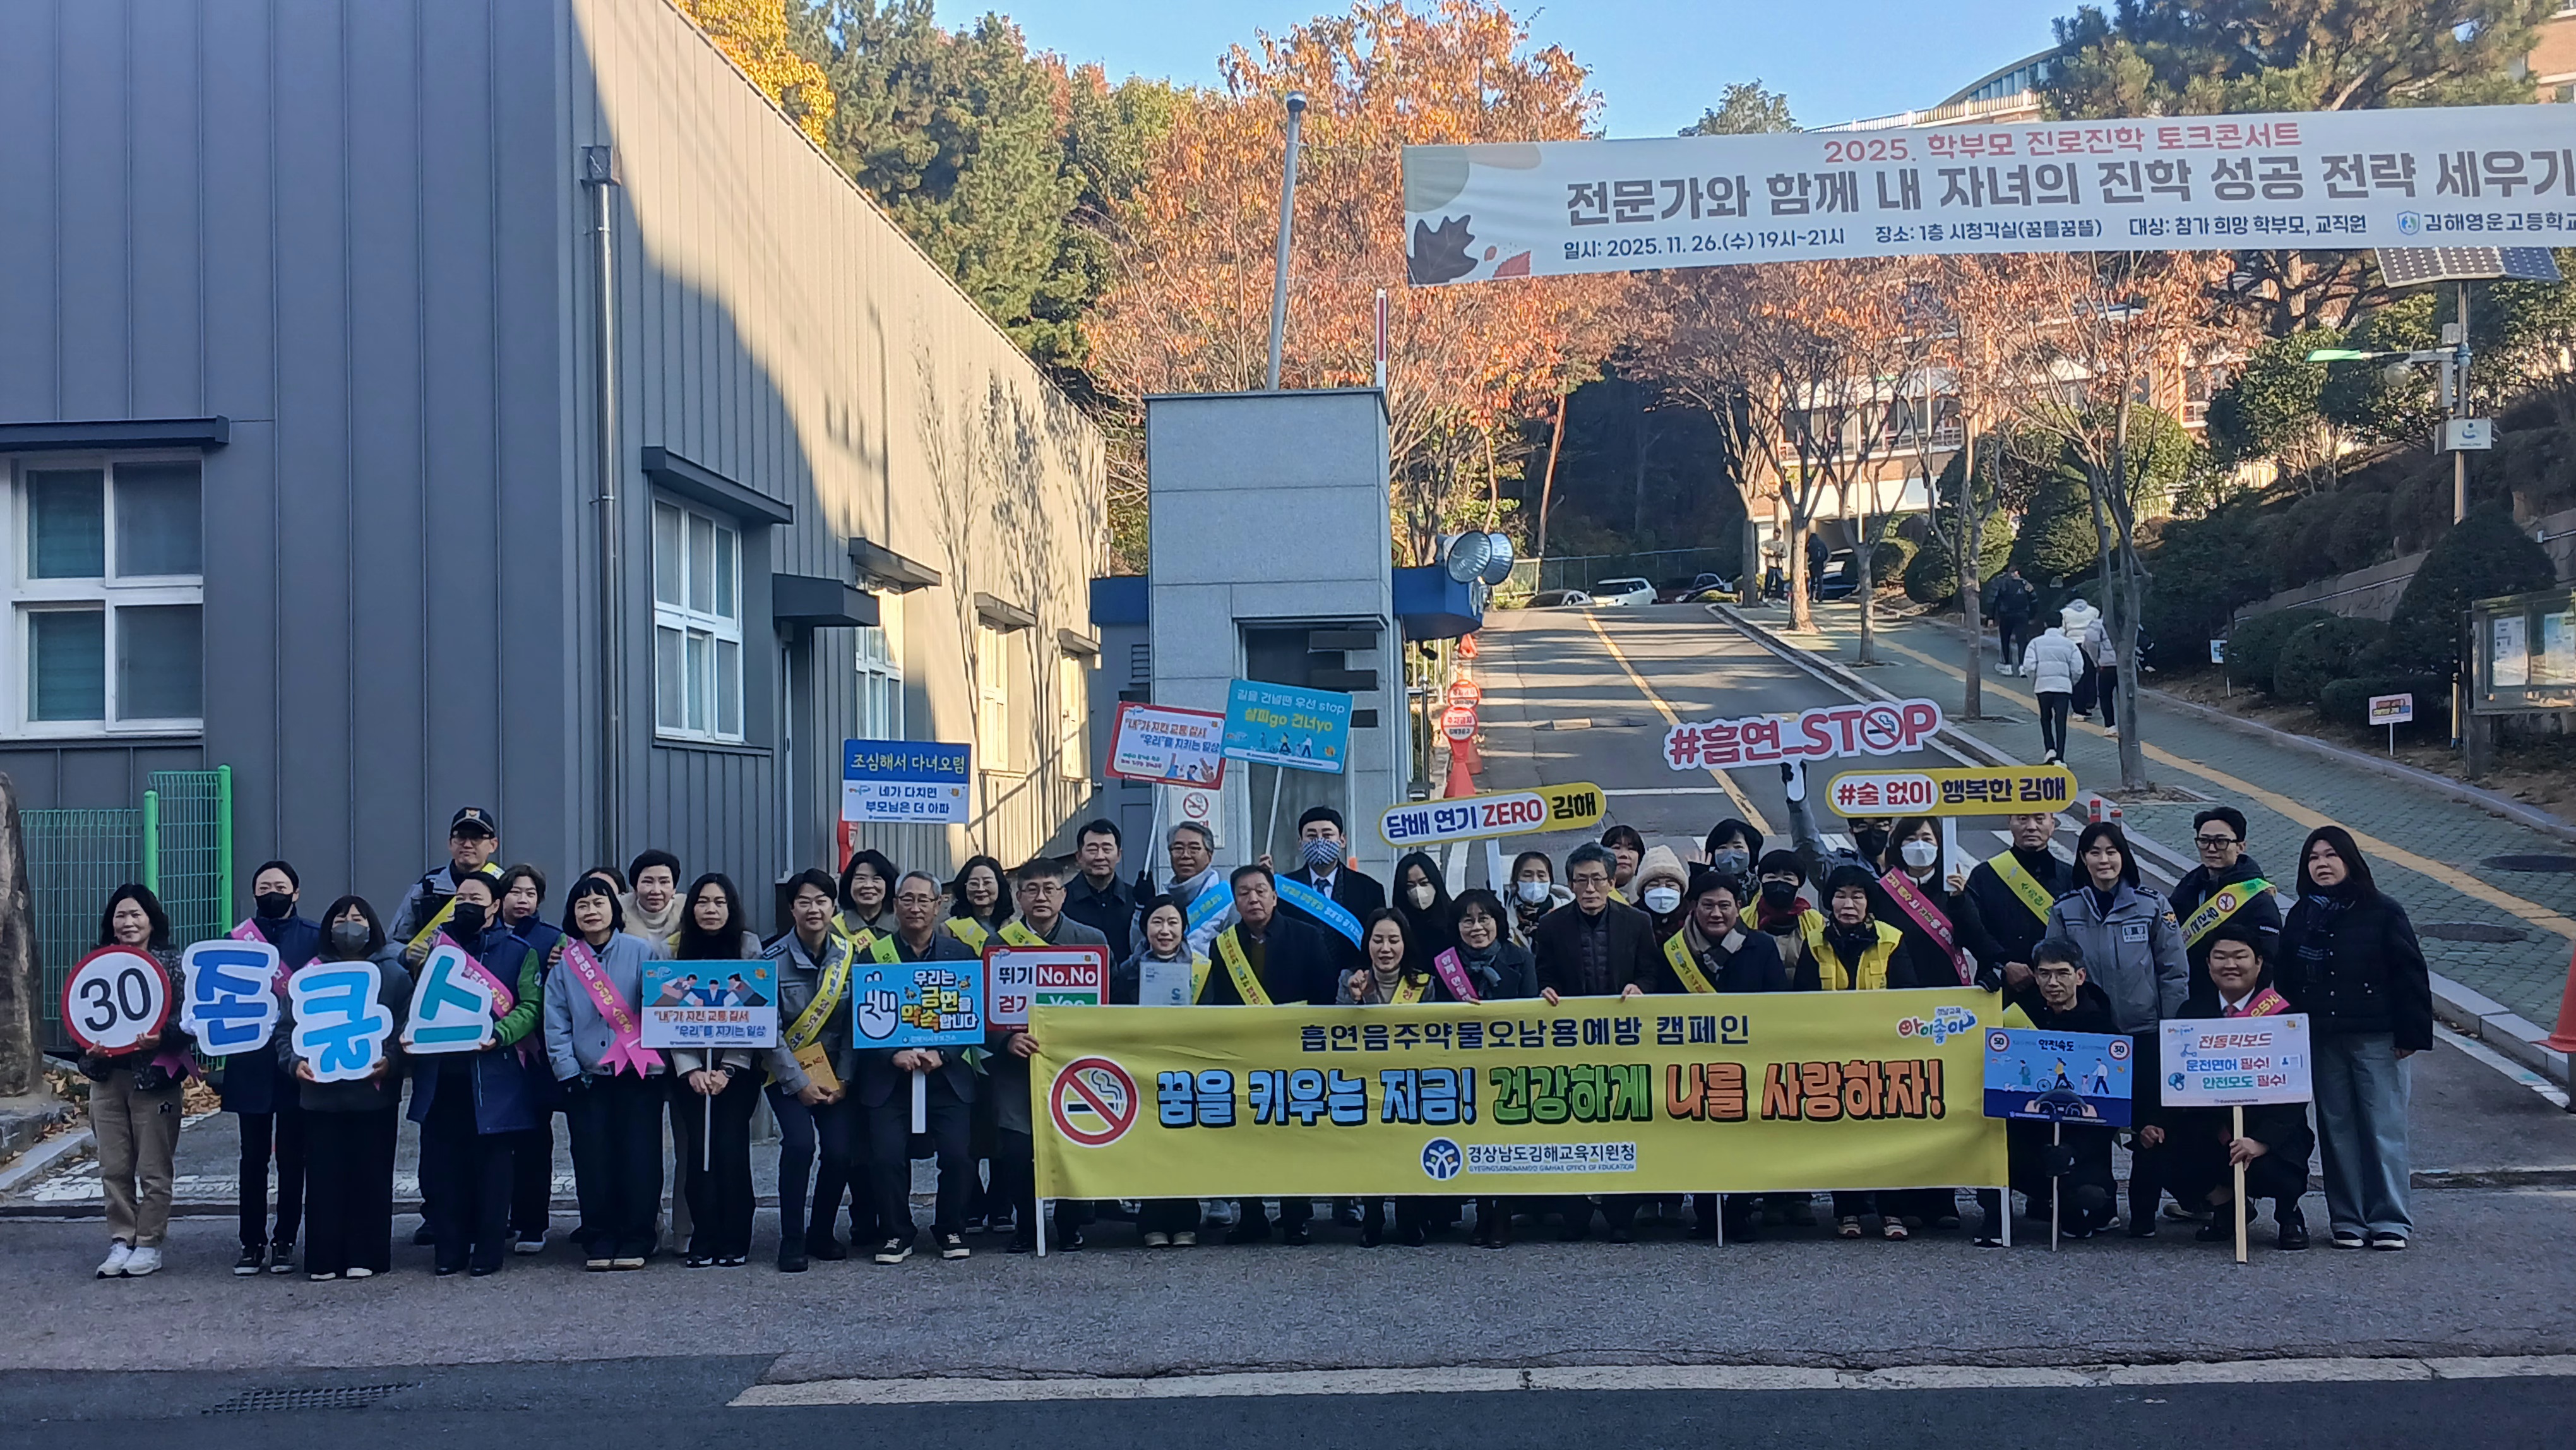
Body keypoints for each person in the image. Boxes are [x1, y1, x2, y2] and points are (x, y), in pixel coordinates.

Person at [2277, 826, 2429, 1251]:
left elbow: (2410, 975)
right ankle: (2348, 1219)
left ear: (2350, 861)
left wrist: (2410, 1034)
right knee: (2337, 1129)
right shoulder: (2302, 915)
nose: (2322, 864)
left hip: (2378, 1037)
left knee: (2383, 1127)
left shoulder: (2383, 911)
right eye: (2313, 858)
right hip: (2323, 1038)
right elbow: (2286, 980)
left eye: (2330, 855)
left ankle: (2390, 1220)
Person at [2044, 822, 2187, 1237]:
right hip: (2091, 1039)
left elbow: (2174, 973)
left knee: (2149, 1129)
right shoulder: (2066, 909)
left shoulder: (2152, 905)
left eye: (2111, 852)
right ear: (2082, 859)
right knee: (2092, 1124)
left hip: (2145, 1033)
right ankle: (2101, 1207)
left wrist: (2171, 1031)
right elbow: (2053, 966)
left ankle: (2143, 1214)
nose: (2103, 860)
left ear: (2124, 857)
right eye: (2094, 852)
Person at [408, 872, 546, 1276]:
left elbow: (530, 1007)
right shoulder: (433, 951)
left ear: (494, 906)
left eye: (476, 897)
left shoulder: (519, 951)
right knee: (444, 1168)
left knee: (494, 1170)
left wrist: (499, 1034)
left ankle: (488, 1250)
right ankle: (449, 1250)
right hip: (441, 1076)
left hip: (494, 1077)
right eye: (460, 897)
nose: (466, 903)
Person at [1529, 844, 1660, 1242]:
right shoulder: (1551, 926)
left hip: (1624, 1045)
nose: (1589, 888)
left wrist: (1642, 989)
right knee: (1575, 1126)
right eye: (1581, 880)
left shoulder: (1637, 922)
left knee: (1623, 1124)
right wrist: (1546, 991)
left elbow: (1652, 973)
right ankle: (1576, 1212)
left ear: (1612, 880)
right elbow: (1543, 975)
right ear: (1570, 883)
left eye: (1597, 879)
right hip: (1571, 1046)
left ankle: (1622, 1215)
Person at [1204, 863, 1338, 1244]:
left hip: (1295, 1054)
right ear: (1235, 900)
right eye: (1244, 893)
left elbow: (1325, 997)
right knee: (1247, 1137)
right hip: (1245, 1056)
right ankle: (1252, 1215)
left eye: (1261, 891)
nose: (1253, 899)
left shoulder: (1307, 937)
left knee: (1293, 1137)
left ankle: (1295, 1215)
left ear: (1275, 896)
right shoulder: (1224, 944)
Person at [282, 897, 412, 1281]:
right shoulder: (309, 977)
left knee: (371, 1178)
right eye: (341, 918)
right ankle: (323, 1258)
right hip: (320, 1097)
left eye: (358, 918)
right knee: (322, 1179)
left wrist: (393, 1063)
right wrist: (294, 1063)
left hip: (373, 1095)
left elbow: (407, 1029)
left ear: (373, 927)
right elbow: (285, 1029)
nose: (349, 925)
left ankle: (367, 1254)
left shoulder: (393, 975)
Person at [2163, 922, 2314, 1252]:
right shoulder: (2192, 1014)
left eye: (2240, 956)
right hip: (2214, 1126)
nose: (2230, 965)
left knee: (2280, 1167)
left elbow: (2294, 1093)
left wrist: (2261, 1142)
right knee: (2168, 1155)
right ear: (2208, 964)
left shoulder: (2284, 1016)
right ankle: (2227, 1210)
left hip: (2269, 1128)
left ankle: (2290, 1215)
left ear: (2259, 963)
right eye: (2220, 957)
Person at [1655, 872, 1789, 1241]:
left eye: (1725, 905)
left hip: (1748, 1064)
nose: (1717, 914)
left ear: (1738, 908)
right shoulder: (1672, 950)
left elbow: (1779, 1004)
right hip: (1692, 1065)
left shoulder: (1760, 947)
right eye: (1708, 905)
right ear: (1694, 907)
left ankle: (1741, 1210)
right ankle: (1705, 1210)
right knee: (1701, 1139)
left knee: (1745, 1139)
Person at [988, 856, 1110, 1254]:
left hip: (1073, 1068)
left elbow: (1104, 1010)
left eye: (1049, 889)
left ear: (1063, 894)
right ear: (1018, 897)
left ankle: (1070, 1223)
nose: (1041, 897)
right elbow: (986, 1013)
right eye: (1031, 890)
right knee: (1018, 1150)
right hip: (1016, 1067)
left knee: (1072, 1144)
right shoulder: (998, 945)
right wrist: (1006, 1041)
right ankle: (1027, 1225)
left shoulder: (1092, 940)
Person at [544, 876, 665, 1271]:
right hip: (587, 1076)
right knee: (592, 1158)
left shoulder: (643, 951)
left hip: (637, 1073)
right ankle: (600, 1234)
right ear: (573, 915)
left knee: (640, 1156)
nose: (591, 912)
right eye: (582, 906)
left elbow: (661, 1008)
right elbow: (555, 1020)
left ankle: (638, 1235)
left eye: (599, 903)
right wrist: (567, 1070)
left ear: (615, 909)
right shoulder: (565, 963)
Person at [862, 872, 982, 1264]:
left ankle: (950, 1226)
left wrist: (944, 1055)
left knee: (959, 1157)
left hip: (945, 1075)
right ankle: (896, 1232)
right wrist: (890, 1053)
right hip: (890, 1075)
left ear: (938, 905)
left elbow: (972, 1015)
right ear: (895, 905)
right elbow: (862, 1016)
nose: (915, 907)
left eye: (923, 900)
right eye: (907, 899)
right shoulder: (873, 954)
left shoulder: (960, 954)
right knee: (885, 1157)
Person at [1798, 865, 1919, 1239]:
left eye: (1857, 896)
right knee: (1842, 1132)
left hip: (1884, 1054)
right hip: (1832, 1054)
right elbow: (1800, 1000)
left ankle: (1891, 1212)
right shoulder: (1815, 942)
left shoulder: (1892, 939)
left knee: (1886, 1132)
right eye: (1840, 896)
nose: (1848, 904)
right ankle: (1847, 1211)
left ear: (1870, 902)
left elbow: (1909, 996)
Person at [1982, 937, 2121, 1243]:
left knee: (2091, 1193)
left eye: (2062, 974)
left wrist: (2074, 1150)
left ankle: (2070, 1208)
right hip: (2030, 1135)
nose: (2053, 982)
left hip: (2079, 1142)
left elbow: (2112, 1111)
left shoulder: (2103, 1029)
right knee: (1990, 1151)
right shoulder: (2021, 1016)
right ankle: (1996, 1222)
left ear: (2079, 977)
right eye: (2044, 974)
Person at [84, 885, 192, 1279]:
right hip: (109, 1079)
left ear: (151, 920)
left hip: (156, 1080)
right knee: (113, 1165)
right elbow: (81, 1023)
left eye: (136, 915)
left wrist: (164, 1037)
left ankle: (149, 1242)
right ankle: (120, 1239)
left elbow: (190, 1022)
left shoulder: (172, 964)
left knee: (154, 1167)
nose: (128, 923)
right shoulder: (97, 964)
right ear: (111, 923)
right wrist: (90, 1053)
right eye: (120, 916)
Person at [225, 860, 322, 1276]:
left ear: (296, 893)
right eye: (264, 886)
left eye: (280, 886)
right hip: (249, 1060)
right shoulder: (235, 942)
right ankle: (251, 1242)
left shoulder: (316, 939)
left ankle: (285, 1239)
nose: (272, 892)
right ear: (254, 894)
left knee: (293, 1157)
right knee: (252, 1158)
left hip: (297, 1061)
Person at [763, 870, 861, 1273]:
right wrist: (798, 1082)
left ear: (834, 907)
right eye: (804, 901)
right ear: (792, 909)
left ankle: (821, 1231)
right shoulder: (768, 959)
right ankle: (792, 1238)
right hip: (784, 1074)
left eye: (822, 900)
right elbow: (766, 1029)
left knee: (840, 1151)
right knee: (800, 1146)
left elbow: (860, 1024)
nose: (813, 909)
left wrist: (845, 1079)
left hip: (836, 1073)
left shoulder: (851, 956)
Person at [666, 873, 763, 1268]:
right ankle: (702, 1235)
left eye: (719, 903)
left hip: (736, 1071)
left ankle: (735, 1237)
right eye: (703, 902)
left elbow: (755, 1010)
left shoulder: (749, 947)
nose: (711, 910)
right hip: (690, 1071)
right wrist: (690, 1070)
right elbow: (665, 1014)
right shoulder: (674, 950)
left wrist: (728, 1069)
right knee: (698, 1153)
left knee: (730, 1150)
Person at [1343, 909, 1444, 1247]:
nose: (1385, 948)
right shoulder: (1350, 979)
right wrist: (1356, 999)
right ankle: (1372, 1216)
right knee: (1371, 1148)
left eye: (1393, 940)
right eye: (1378, 940)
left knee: (1408, 1146)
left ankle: (1409, 1216)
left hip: (1412, 1082)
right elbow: (1336, 1034)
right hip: (1366, 1082)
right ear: (1367, 944)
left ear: (1405, 944)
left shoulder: (1423, 984)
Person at [1446, 889, 1537, 1248]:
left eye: (1484, 918)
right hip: (1464, 1068)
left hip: (1508, 1067)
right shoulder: (1446, 965)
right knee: (1474, 1142)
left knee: (1503, 1142)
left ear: (1498, 922)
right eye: (1467, 920)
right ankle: (1482, 1211)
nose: (1476, 927)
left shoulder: (1520, 958)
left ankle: (1502, 1215)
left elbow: (1530, 1012)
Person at [1116, 896, 1207, 1247]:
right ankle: (1151, 1219)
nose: (1165, 930)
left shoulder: (1203, 968)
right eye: (1157, 922)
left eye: (1173, 922)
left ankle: (1187, 1219)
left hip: (1188, 1070)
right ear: (1145, 928)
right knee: (1149, 1146)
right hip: (1142, 1069)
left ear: (1184, 927)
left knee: (1184, 1145)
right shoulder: (1126, 971)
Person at [494, 863, 563, 1254]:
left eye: (531, 894)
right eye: (516, 892)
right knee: (498, 1142)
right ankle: (497, 1217)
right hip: (493, 1056)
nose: (523, 900)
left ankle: (533, 1222)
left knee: (536, 1140)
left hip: (535, 1057)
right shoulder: (480, 939)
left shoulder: (554, 940)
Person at [2169, 807, 2282, 995]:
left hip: (2232, 1004)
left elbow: (2268, 961)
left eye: (2221, 841)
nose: (2211, 849)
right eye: (2204, 841)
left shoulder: (2256, 896)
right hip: (2188, 998)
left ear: (2241, 846)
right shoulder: (2188, 886)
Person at [1965, 812, 2075, 990]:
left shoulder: (2071, 877)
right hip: (1999, 985)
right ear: (2010, 822)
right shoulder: (1984, 875)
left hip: (2058, 989)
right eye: (2023, 819)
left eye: (2040, 819)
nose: (2031, 826)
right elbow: (1972, 930)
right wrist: (2004, 962)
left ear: (2053, 824)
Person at [1277, 806, 1386, 980]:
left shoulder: (1369, 889)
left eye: (1328, 835)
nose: (1320, 842)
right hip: (1300, 987)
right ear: (1300, 843)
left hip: (1354, 987)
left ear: (1342, 840)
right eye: (1311, 836)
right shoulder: (1283, 890)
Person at [387, 806, 504, 964]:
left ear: (493, 844)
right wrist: (406, 954)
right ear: (450, 843)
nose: (468, 844)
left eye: (476, 838)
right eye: (461, 837)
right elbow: (392, 943)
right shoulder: (427, 888)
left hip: (490, 976)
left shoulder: (505, 887)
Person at [1064, 818, 1135, 962]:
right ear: (1079, 857)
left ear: (1119, 855)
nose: (1100, 857)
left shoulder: (1135, 900)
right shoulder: (1062, 899)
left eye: (1107, 849)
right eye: (1092, 850)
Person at [2022, 619, 2086, 765]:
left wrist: (2035, 682)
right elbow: (2078, 669)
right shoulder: (2069, 644)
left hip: (2043, 687)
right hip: (2063, 688)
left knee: (2045, 718)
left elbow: (2029, 667)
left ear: (2045, 624)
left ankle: (2050, 750)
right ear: (2061, 625)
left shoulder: (2035, 643)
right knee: (2061, 721)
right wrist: (2071, 682)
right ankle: (2060, 757)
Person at [1390, 851, 1459, 977]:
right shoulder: (1396, 925)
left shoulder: (1455, 917)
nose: (1418, 891)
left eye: (1424, 883)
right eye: (1410, 886)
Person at [942, 854, 1011, 950]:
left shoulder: (1015, 927)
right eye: (974, 883)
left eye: (987, 883)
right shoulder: (948, 929)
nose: (980, 889)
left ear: (1000, 885)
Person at [623, 849, 685, 954]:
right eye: (648, 882)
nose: (656, 891)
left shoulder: (689, 910)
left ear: (674, 888)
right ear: (635, 888)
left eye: (664, 882)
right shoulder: (616, 911)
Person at [838, 848, 900, 948]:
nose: (868, 885)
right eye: (861, 879)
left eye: (876, 879)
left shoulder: (901, 927)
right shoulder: (834, 928)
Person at [1506, 851, 1567, 947]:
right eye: (1527, 875)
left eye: (1541, 875)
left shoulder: (1567, 912)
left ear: (1550, 881)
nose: (1535, 881)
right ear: (1515, 880)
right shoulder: (1504, 917)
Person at [1632, 845, 1690, 942]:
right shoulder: (1630, 920)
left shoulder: (1693, 921)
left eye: (1670, 885)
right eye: (1654, 885)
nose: (1663, 890)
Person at [1989, 566, 2035, 675]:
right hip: (2023, 614)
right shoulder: (2025, 583)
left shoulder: (2001, 583)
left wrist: (1991, 617)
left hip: (2006, 615)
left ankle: (2006, 666)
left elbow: (1992, 600)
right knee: (2022, 641)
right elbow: (2034, 599)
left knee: (2005, 639)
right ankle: (2022, 667)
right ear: (2018, 573)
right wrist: (2031, 615)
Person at [1700, 819, 1762, 885]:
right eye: (1723, 848)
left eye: (1738, 847)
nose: (1731, 853)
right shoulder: (1704, 883)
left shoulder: (1762, 882)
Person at [1599, 825, 1646, 902]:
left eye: (1631, 849)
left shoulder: (1647, 896)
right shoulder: (1591, 895)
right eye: (1616, 848)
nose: (1624, 855)